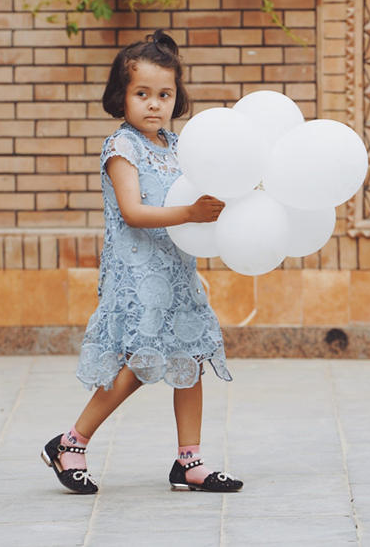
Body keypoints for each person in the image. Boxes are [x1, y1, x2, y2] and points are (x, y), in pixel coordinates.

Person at [42, 30, 243, 495]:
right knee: (136, 364)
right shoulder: (122, 148)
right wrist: (191, 214)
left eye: (164, 95)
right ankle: (70, 442)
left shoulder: (177, 146)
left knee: (191, 357)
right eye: (142, 94)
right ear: (122, 97)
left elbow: (194, 200)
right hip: (136, 274)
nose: (154, 104)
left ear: (177, 98)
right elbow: (133, 212)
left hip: (176, 270)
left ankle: (189, 461)